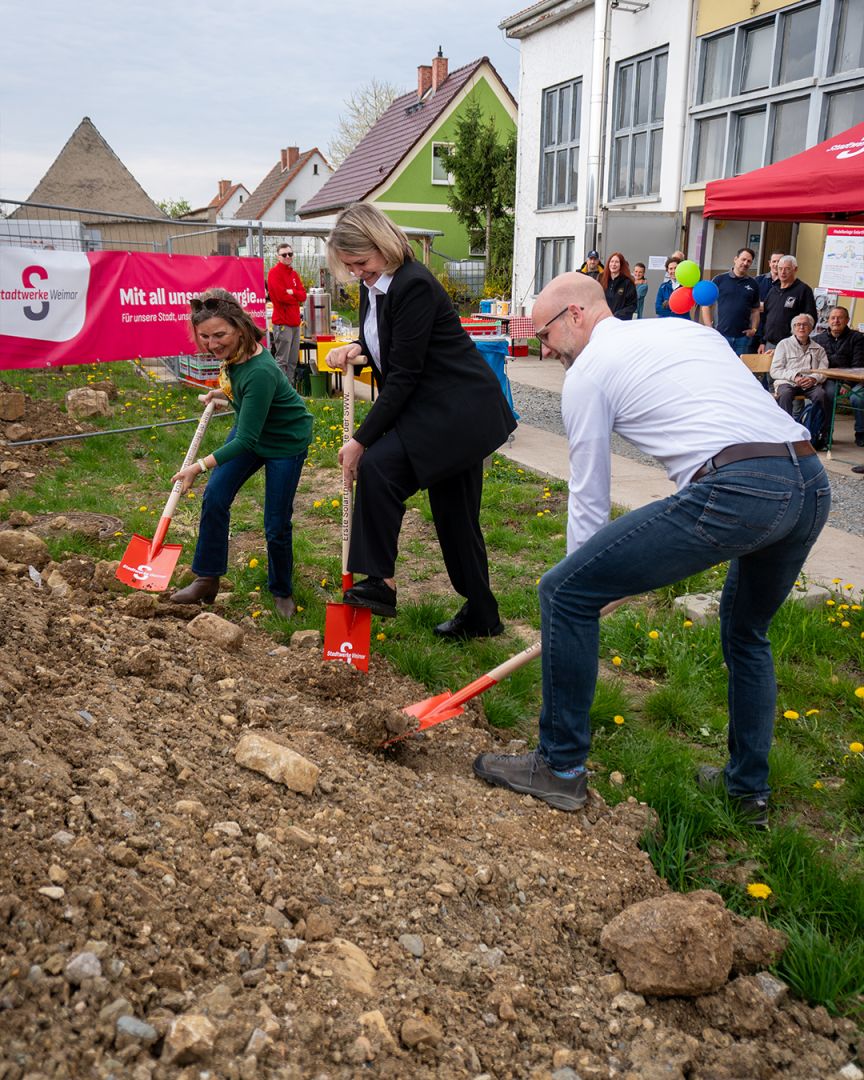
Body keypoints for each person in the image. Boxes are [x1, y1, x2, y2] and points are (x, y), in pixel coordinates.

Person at [473, 273, 830, 828]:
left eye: (544, 334)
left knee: (563, 591)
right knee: (746, 631)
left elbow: (588, 494)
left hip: (740, 488)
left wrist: (581, 583)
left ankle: (559, 768)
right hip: (808, 479)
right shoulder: (690, 334)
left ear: (576, 315)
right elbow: (717, 413)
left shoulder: (588, 373)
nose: (542, 349)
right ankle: (747, 791)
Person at [324, 203, 517, 638]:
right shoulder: (374, 287)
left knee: (378, 468)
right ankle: (484, 616)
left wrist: (360, 440)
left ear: (383, 244)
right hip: (440, 411)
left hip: (457, 411)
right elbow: (393, 344)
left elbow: (406, 375)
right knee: (456, 516)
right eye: (351, 266)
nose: (357, 272)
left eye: (362, 262)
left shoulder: (414, 285)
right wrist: (357, 348)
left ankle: (380, 583)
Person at [170, 289, 313, 618]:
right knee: (216, 497)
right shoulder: (234, 357)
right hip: (254, 431)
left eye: (219, 335)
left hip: (284, 441)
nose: (213, 344)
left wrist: (198, 466)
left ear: (239, 327)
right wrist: (223, 392)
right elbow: (242, 389)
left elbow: (246, 439)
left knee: (276, 523)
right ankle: (207, 577)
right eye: (205, 336)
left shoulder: (259, 371)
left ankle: (281, 591)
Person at [770, 314, 830, 448]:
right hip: (788, 382)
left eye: (805, 324)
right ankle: (785, 434)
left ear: (811, 328)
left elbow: (823, 370)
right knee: (784, 394)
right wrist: (795, 376)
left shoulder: (818, 349)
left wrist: (813, 378)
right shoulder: (784, 344)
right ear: (793, 328)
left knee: (821, 395)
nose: (801, 327)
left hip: (810, 383)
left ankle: (819, 433)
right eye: (798, 325)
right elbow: (775, 370)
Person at [812, 306, 864, 447]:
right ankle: (826, 433)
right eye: (833, 318)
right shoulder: (818, 339)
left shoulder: (858, 338)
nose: (836, 321)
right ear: (828, 320)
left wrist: (847, 383)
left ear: (847, 320)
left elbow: (858, 364)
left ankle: (861, 433)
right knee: (828, 394)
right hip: (830, 379)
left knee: (858, 398)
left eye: (840, 317)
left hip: (855, 380)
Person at [700, 247, 760, 355]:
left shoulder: (753, 284)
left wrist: (754, 329)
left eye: (749, 261)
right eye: (743, 259)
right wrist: (709, 327)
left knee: (739, 369)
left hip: (742, 338)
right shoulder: (719, 279)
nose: (745, 263)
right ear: (735, 259)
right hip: (721, 336)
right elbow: (706, 305)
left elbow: (755, 310)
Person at [267, 244, 307, 386]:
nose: (288, 257)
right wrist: (294, 296)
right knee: (282, 361)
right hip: (283, 323)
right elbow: (280, 297)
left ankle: (289, 391)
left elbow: (303, 296)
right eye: (284, 255)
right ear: (278, 257)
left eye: (290, 254)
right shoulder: (274, 273)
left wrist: (293, 293)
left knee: (292, 361)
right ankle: (279, 391)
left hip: (295, 323)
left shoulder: (294, 274)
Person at [759, 255, 817, 352]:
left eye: (787, 269)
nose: (783, 272)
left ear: (795, 269)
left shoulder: (803, 290)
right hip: (769, 344)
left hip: (791, 346)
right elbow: (765, 317)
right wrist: (762, 341)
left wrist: (797, 341)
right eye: (780, 268)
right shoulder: (773, 290)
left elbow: (811, 319)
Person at [753, 249, 784, 349]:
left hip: (774, 334)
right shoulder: (758, 280)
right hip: (755, 330)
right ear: (769, 263)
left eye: (779, 261)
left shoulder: (787, 284)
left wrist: (765, 306)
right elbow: (748, 303)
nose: (776, 264)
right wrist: (757, 306)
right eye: (774, 261)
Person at [599, 252, 637, 321]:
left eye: (616, 262)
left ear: (621, 265)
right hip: (603, 320)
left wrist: (616, 316)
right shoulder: (601, 279)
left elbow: (632, 305)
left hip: (620, 322)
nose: (613, 264)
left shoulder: (628, 283)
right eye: (612, 261)